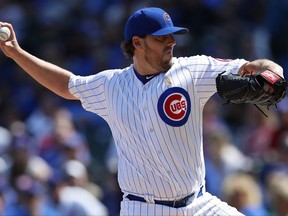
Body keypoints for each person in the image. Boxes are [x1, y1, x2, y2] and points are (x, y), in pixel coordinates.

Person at [0, 6, 284, 216]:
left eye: (172, 36)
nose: (171, 42)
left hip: (198, 204)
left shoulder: (193, 69)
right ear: (137, 42)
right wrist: (17, 53)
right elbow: (67, 85)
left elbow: (254, 67)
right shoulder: (111, 85)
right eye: (161, 38)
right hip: (142, 208)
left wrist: (273, 73)